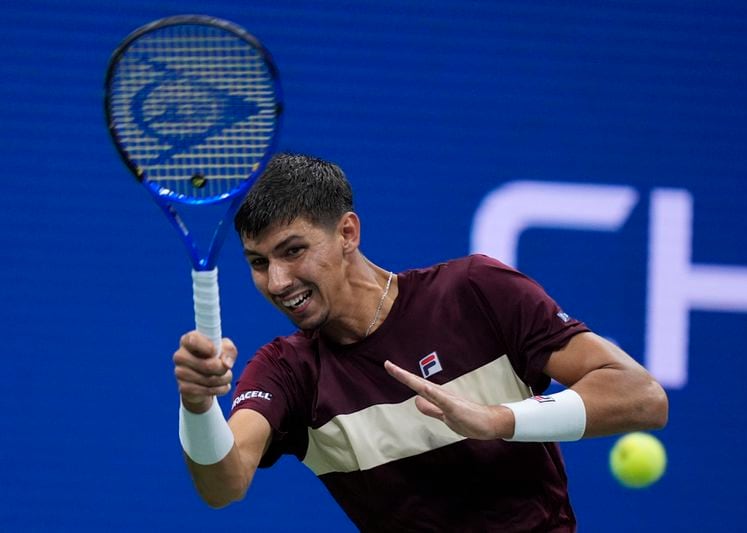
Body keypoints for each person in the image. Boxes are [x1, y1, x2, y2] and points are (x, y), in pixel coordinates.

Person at [173, 153, 668, 532]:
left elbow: (641, 397)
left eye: (294, 251)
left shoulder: (476, 291)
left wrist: (498, 420)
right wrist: (197, 406)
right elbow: (224, 483)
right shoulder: (288, 371)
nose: (278, 281)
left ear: (347, 232)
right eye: (259, 263)